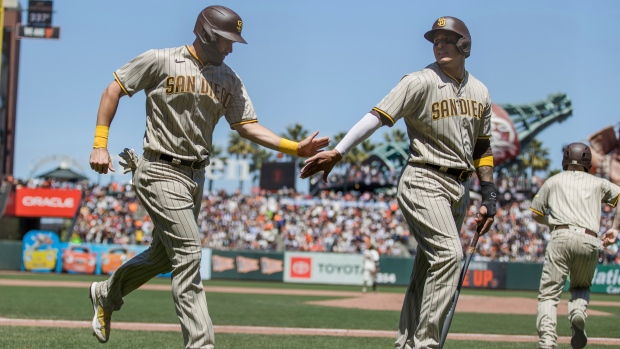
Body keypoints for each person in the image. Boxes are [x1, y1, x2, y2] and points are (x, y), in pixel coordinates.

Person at [88, 5, 329, 349]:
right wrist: (100, 144)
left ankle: (106, 294)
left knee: (161, 257)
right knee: (188, 253)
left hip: (195, 177)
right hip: (158, 168)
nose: (231, 48)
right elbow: (114, 89)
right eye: (226, 40)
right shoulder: (160, 59)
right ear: (205, 33)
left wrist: (294, 148)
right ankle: (201, 344)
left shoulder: (228, 77)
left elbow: (247, 125)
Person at [300, 16, 497, 349]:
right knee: (449, 256)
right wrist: (339, 151)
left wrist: (489, 193)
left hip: (460, 187)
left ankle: (406, 342)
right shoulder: (419, 81)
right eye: (435, 39)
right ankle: (426, 344)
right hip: (423, 177)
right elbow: (377, 115)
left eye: (447, 39)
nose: (439, 44)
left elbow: (482, 146)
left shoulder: (480, 90)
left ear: (465, 45)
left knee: (426, 269)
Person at [530, 142, 620, 349]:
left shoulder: (553, 181)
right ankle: (578, 311)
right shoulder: (598, 182)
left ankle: (547, 340)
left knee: (549, 294)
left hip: (560, 235)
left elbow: (536, 213)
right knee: (581, 286)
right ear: (587, 161)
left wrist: (551, 221)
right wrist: (615, 228)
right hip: (589, 239)